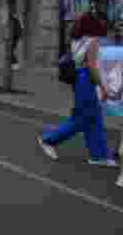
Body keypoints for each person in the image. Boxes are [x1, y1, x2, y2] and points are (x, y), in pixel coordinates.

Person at [38, 18, 116, 168]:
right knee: (81, 119)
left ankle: (99, 155)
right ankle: (48, 139)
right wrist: (103, 88)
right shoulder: (92, 42)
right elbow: (92, 67)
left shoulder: (76, 40)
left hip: (79, 79)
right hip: (86, 79)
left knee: (94, 118)